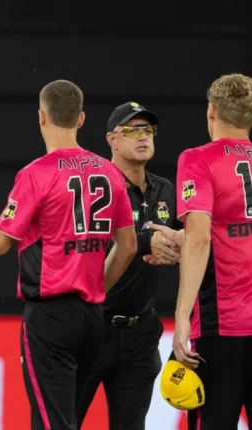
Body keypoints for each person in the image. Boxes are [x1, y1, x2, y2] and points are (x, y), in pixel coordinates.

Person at [0, 79, 137, 430]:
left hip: (50, 317)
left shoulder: (36, 174)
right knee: (66, 419)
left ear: (41, 117)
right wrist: (95, 287)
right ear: (81, 119)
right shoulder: (109, 172)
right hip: (91, 317)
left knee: (51, 423)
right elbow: (128, 245)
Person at [75, 102, 184, 430]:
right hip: (93, 326)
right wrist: (146, 242)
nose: (143, 136)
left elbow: (187, 240)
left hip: (140, 331)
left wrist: (180, 243)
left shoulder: (165, 189)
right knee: (65, 422)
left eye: (147, 129)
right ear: (111, 139)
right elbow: (90, 244)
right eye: (132, 130)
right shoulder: (96, 187)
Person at [172, 73, 252, 428]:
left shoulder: (198, 159)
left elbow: (200, 238)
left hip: (222, 326)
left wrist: (181, 318)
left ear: (211, 112)